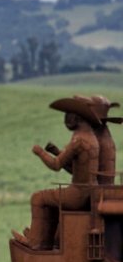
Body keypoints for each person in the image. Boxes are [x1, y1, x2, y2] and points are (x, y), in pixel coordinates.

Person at [22, 96, 101, 250]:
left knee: (38, 198)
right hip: (89, 192)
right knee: (52, 202)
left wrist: (40, 152)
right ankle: (45, 238)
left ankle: (36, 242)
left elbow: (56, 165)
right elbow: (74, 169)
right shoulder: (92, 139)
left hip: (77, 194)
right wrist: (56, 151)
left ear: (78, 117)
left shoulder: (79, 140)